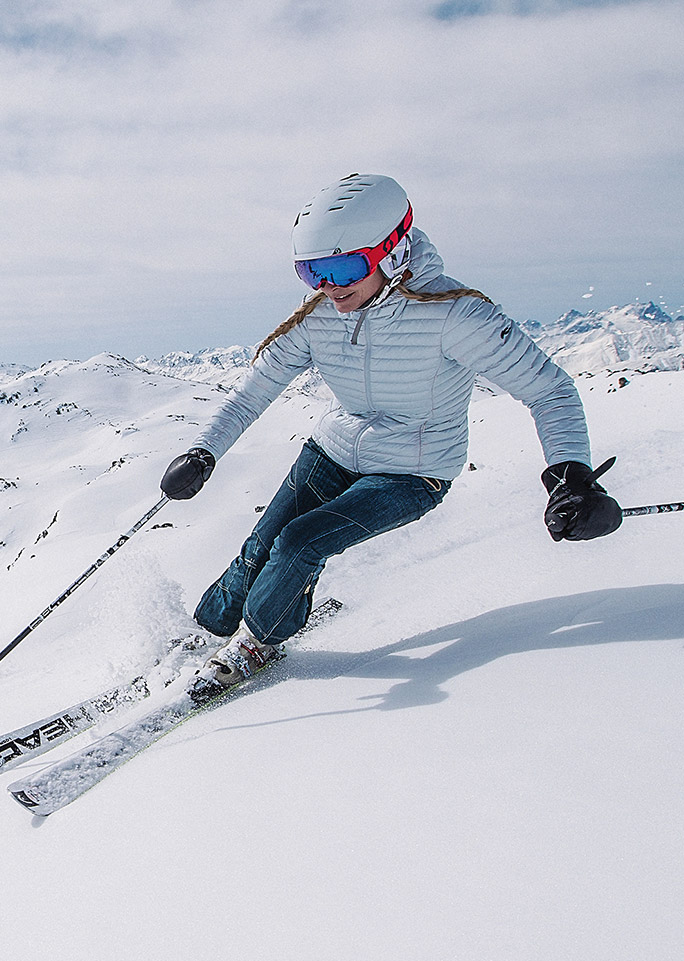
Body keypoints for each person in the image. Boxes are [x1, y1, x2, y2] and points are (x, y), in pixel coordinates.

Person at [160, 173, 621, 688]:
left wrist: (573, 476)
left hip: (411, 471)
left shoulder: (456, 315)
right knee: (260, 545)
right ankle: (210, 628)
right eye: (311, 271)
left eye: (342, 266)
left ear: (393, 252)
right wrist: (203, 453)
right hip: (333, 449)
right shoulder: (320, 317)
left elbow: (549, 389)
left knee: (299, 542)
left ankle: (257, 641)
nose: (328, 287)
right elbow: (252, 393)